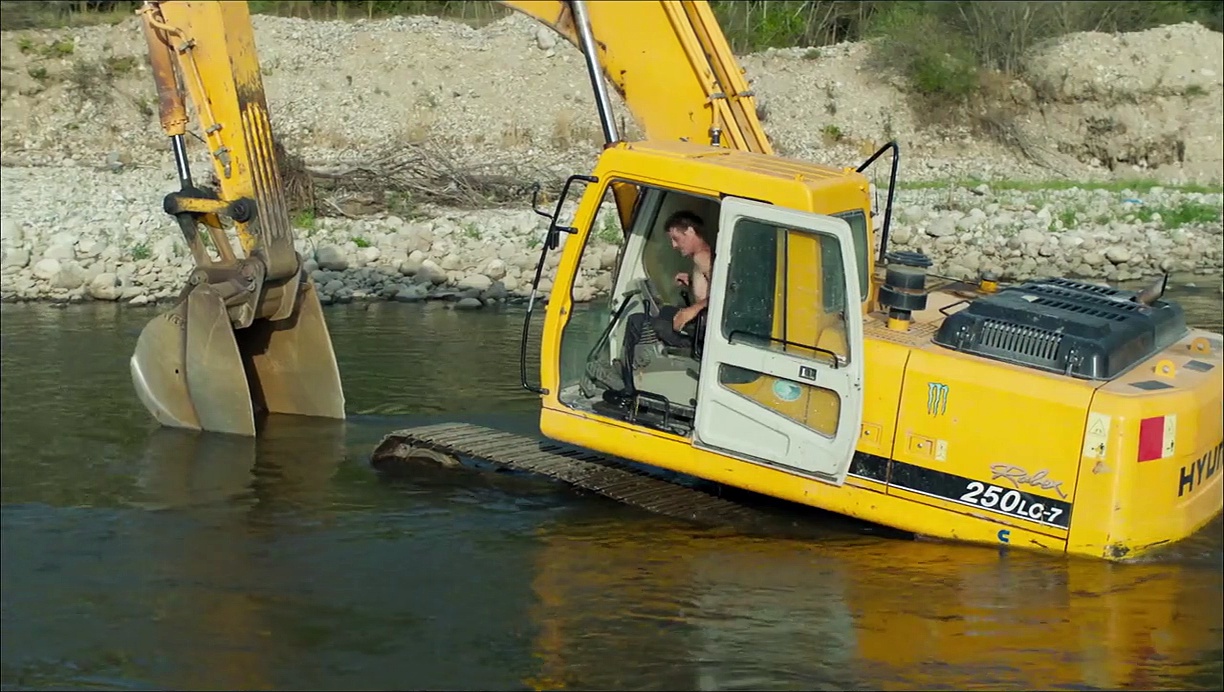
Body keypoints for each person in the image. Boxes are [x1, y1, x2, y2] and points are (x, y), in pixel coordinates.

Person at [609, 210, 713, 397]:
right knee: (665, 311)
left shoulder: (704, 257)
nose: (674, 245)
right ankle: (631, 369)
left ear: (690, 231)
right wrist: (691, 281)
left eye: (676, 238)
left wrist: (692, 310)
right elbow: (709, 288)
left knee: (636, 321)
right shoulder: (703, 256)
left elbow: (724, 296)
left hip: (700, 335)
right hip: (699, 326)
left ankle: (628, 385)